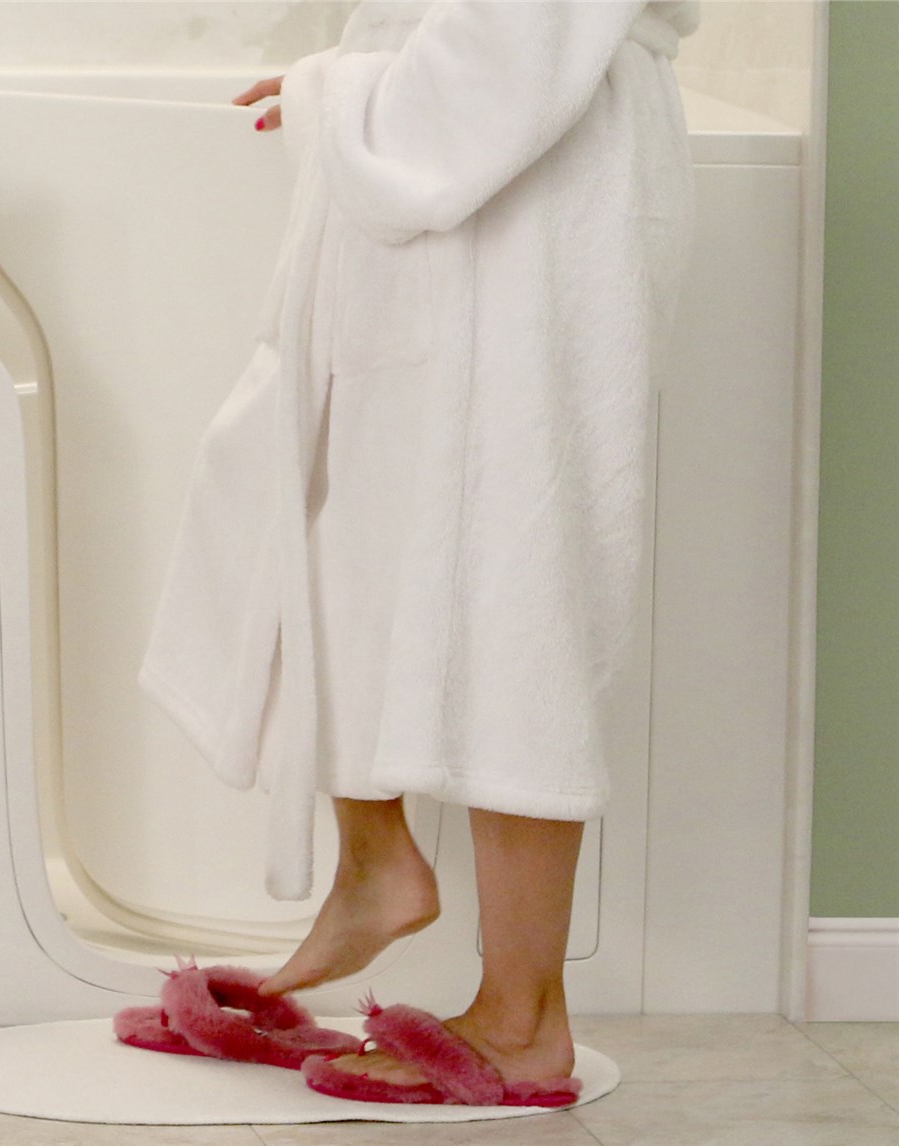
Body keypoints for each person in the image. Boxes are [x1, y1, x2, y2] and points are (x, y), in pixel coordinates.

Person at [140, 0, 700, 1096]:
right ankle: (372, 867)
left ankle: (522, 1018)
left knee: (519, 578)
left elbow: (516, 39)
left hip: (534, 190)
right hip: (473, 174)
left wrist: (340, 100)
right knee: (331, 507)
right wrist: (356, 79)